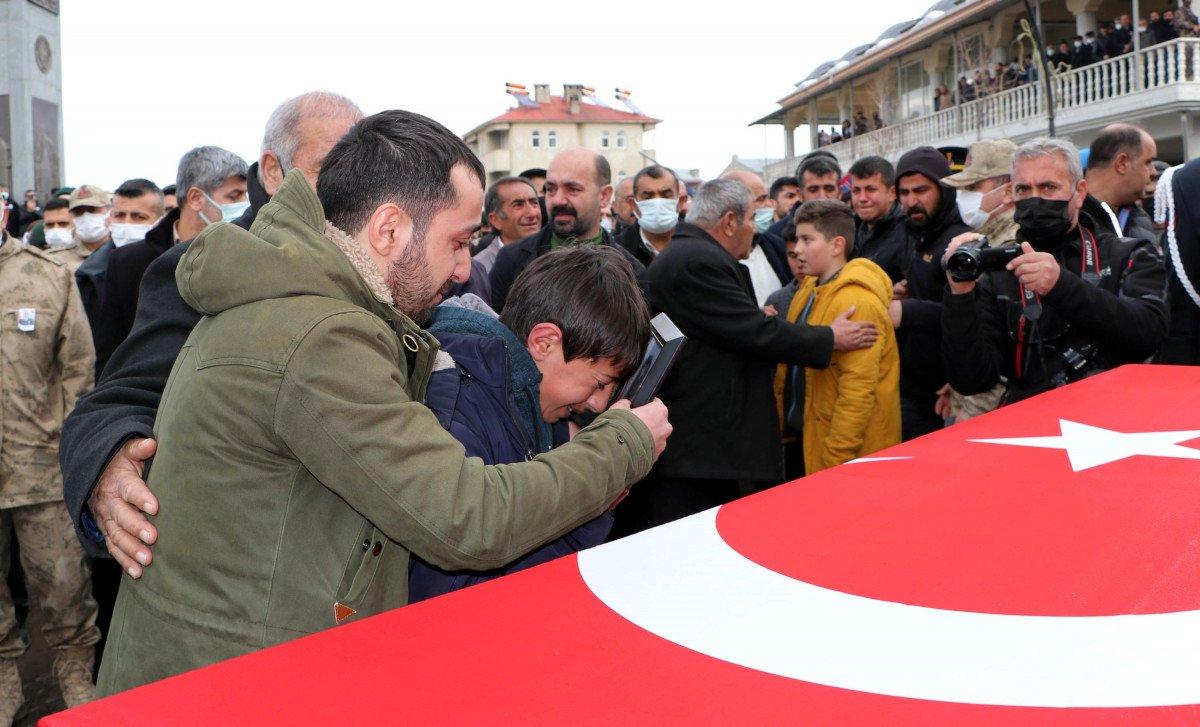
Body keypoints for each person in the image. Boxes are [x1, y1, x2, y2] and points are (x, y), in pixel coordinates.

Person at [94, 110, 671, 696]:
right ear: (389, 229)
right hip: (236, 687)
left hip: (238, 671)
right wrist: (620, 445)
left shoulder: (309, 307)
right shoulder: (323, 336)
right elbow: (466, 517)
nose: (464, 269)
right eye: (458, 241)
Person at [610, 178, 876, 539]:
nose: (756, 228)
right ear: (730, 221)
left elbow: (730, 326)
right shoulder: (696, 260)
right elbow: (754, 334)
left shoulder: (692, 253)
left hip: (706, 447)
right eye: (751, 218)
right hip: (701, 452)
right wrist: (830, 337)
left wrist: (749, 318)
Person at [410, 245, 648, 601]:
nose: (598, 404)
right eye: (599, 383)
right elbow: (463, 595)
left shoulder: (524, 402)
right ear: (544, 343)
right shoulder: (459, 414)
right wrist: (589, 502)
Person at [941, 137, 1168, 404]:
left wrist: (1061, 285)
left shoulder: (1128, 254)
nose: (1035, 199)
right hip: (1030, 419)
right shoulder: (1001, 271)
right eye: (1023, 189)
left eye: (1048, 187)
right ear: (1011, 193)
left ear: (1079, 192)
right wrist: (960, 293)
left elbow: (1149, 333)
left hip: (1113, 411)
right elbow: (972, 380)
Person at [0, 214, 99, 719]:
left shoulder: (47, 275)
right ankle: (5, 682)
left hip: (38, 466)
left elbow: (78, 370)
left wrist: (69, 450)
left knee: (64, 585)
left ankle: (75, 674)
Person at [92, 151, 242, 378]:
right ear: (196, 198)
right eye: (235, 196)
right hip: (149, 391)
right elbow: (110, 352)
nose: (245, 204)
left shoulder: (243, 255)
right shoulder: (128, 262)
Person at [788, 200, 899, 473]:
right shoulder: (809, 288)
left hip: (843, 453)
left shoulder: (856, 300)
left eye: (807, 239)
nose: (797, 249)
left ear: (837, 245)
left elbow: (857, 391)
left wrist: (836, 460)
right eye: (797, 239)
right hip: (811, 436)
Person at [489, 148, 648, 312]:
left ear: (604, 196)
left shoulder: (633, 273)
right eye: (551, 189)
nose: (558, 200)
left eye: (572, 189)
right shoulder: (511, 260)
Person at [889, 146, 970, 440]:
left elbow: (966, 311)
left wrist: (908, 311)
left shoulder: (959, 241)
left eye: (921, 191)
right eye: (905, 192)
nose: (912, 201)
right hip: (911, 385)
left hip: (942, 392)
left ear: (943, 189)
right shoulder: (916, 234)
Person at [937, 139, 1018, 423]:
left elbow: (997, 335)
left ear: (1007, 189)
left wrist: (970, 412)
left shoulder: (1011, 244)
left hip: (989, 407)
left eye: (973, 187)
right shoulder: (986, 236)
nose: (963, 196)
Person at [1083, 123, 1159, 248]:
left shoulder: (1140, 217)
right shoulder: (1068, 215)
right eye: (1148, 162)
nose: (1154, 172)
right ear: (1122, 164)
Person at [723, 170, 791, 306]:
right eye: (761, 199)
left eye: (767, 198)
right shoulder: (716, 256)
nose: (769, 205)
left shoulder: (775, 245)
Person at [847, 155, 905, 283]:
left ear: (892, 193)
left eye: (871, 189)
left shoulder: (909, 234)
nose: (862, 198)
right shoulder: (848, 230)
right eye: (856, 190)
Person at [470, 177, 541, 275]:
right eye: (518, 205)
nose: (532, 213)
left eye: (534, 203)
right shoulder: (478, 271)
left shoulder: (553, 253)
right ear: (495, 220)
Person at [617, 165, 683, 267]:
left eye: (666, 195)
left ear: (680, 202)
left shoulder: (699, 245)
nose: (657, 202)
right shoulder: (617, 251)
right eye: (648, 196)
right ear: (633, 205)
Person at [767, 151, 842, 238]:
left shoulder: (852, 227)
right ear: (800, 194)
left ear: (839, 193)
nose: (822, 197)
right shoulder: (775, 235)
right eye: (813, 190)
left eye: (829, 189)